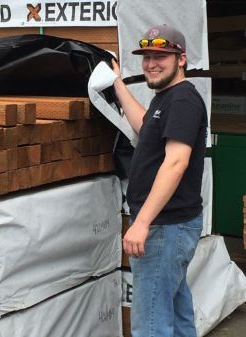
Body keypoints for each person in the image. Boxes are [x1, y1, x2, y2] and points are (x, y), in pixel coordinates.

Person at [111, 25, 207, 337]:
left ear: (181, 59)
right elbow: (144, 126)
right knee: (176, 315)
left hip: (163, 228)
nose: (152, 63)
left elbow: (176, 163)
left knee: (151, 324)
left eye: (161, 56)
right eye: (147, 57)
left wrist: (142, 223)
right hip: (170, 227)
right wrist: (118, 85)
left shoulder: (182, 101)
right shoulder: (166, 98)